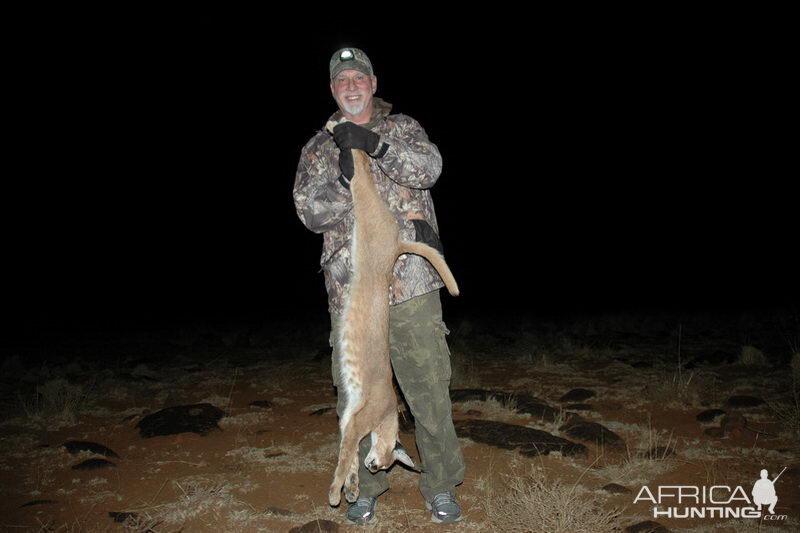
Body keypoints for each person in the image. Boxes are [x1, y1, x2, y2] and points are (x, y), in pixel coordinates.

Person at [293, 47, 464, 525]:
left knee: (427, 388)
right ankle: (365, 487)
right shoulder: (315, 149)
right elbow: (309, 214)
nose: (351, 85)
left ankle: (441, 486)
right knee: (358, 396)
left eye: (358, 77)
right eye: (341, 80)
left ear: (372, 83)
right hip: (352, 297)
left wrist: (376, 146)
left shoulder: (403, 128)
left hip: (411, 284)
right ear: (333, 90)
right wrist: (344, 180)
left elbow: (429, 170)